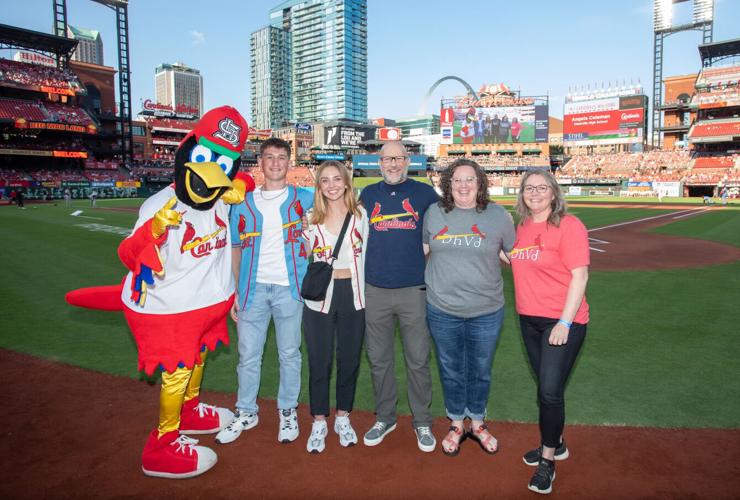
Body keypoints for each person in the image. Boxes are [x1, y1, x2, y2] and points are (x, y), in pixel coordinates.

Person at [217, 137, 314, 445]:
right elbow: (234, 248)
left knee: (289, 354)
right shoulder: (243, 203)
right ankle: (246, 410)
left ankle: (287, 410)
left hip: (290, 289)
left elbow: (340, 205)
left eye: (281, 157)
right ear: (260, 162)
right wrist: (236, 291)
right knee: (248, 356)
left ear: (289, 162)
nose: (275, 162)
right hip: (252, 290)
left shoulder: (305, 197)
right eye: (269, 157)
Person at [423, 159, 515, 456]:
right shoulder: (435, 213)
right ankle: (456, 422)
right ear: (449, 183)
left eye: (470, 180)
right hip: (442, 307)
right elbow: (422, 249)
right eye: (457, 180)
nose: (463, 186)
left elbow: (514, 255)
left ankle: (477, 421)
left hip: (486, 310)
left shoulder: (498, 215)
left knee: (480, 369)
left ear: (480, 184)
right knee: (450, 369)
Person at [506, 170, 590, 494]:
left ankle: (547, 460)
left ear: (553, 193)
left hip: (563, 321)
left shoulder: (569, 226)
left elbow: (579, 277)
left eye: (542, 188)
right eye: (529, 188)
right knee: (546, 388)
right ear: (522, 194)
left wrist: (565, 323)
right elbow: (517, 261)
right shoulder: (522, 227)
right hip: (529, 320)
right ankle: (556, 441)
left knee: (550, 392)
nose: (535, 193)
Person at [360, 140, 439, 452]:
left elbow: (439, 232)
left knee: (418, 360)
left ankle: (422, 421)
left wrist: (425, 252)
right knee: (379, 360)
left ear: (408, 160)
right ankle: (386, 416)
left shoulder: (424, 194)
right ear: (379, 162)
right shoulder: (368, 194)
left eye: (398, 158)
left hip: (413, 290)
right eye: (387, 159)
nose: (392, 164)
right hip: (375, 288)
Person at [302, 161, 369, 453]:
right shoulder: (310, 219)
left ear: (346, 182)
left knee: (350, 360)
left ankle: (343, 416)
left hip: (353, 294)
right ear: (319, 187)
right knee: (319, 360)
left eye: (336, 179)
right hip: (319, 298)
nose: (331, 185)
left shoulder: (361, 215)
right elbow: (306, 258)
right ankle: (319, 420)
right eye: (325, 180)